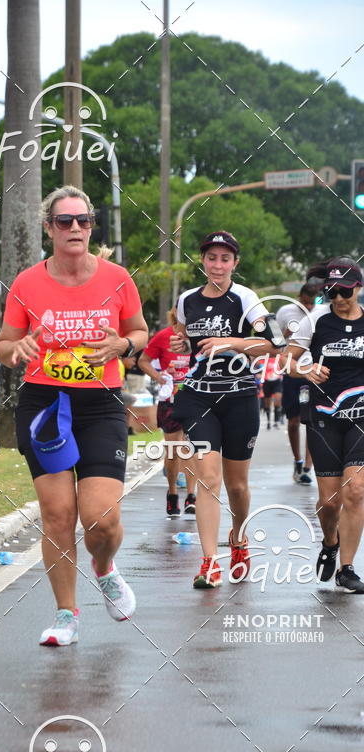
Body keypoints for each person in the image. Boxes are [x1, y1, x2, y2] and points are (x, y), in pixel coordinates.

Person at [0, 185, 148, 644]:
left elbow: (139, 332)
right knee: (58, 514)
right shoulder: (27, 283)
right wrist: (16, 349)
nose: (76, 228)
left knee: (100, 517)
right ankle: (66, 615)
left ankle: (104, 568)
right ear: (49, 229)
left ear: (91, 226)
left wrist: (122, 345)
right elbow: (4, 345)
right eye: (65, 221)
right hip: (44, 403)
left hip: (100, 404)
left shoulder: (118, 278)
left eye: (83, 220)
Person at [170, 230, 283, 588]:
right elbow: (182, 337)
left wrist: (230, 342)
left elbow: (274, 344)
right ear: (202, 260)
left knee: (237, 485)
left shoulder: (245, 298)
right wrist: (179, 340)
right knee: (208, 476)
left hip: (239, 397)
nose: (217, 265)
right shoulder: (187, 299)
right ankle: (208, 562)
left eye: (225, 258)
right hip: (199, 396)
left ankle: (238, 538)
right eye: (211, 257)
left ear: (235, 263)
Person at [286, 258, 364, 593]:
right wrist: (305, 371)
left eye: (345, 291)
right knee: (330, 501)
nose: (339, 298)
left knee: (356, 491)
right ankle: (329, 543)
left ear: (358, 287)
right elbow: (286, 360)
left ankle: (347, 569)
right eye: (332, 292)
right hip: (324, 415)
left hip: (361, 416)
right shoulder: (316, 320)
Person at [138, 308, 197, 517]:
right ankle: (172, 493)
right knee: (174, 449)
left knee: (190, 446)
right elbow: (143, 361)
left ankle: (191, 496)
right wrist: (159, 377)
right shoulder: (163, 337)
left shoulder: (200, 336)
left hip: (194, 397)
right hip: (170, 398)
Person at [276, 282, 319, 484]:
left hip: (314, 372)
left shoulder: (321, 313)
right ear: (299, 297)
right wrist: (285, 334)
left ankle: (307, 468)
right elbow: (273, 340)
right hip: (292, 371)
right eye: (305, 302)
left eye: (312, 303)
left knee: (312, 421)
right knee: (293, 421)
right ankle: (298, 461)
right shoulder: (286, 311)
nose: (309, 306)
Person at [262, 356, 283, 429]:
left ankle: (276, 421)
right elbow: (257, 366)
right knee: (267, 403)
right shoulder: (265, 358)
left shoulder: (280, 357)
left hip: (277, 381)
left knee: (278, 400)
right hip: (267, 381)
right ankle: (268, 422)